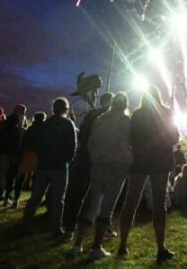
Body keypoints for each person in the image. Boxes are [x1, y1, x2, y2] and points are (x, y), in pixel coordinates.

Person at [117, 86, 179, 263]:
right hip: (160, 162)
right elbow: (174, 137)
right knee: (159, 202)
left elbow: (131, 138)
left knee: (131, 200)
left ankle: (123, 244)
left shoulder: (136, 115)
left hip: (140, 161)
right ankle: (160, 247)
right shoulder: (167, 113)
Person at [69, 92, 132, 261]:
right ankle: (96, 247)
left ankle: (77, 244)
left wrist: (97, 158)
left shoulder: (100, 119)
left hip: (98, 165)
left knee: (93, 205)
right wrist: (129, 162)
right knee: (107, 208)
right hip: (116, 166)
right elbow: (123, 144)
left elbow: (90, 143)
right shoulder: (125, 121)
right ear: (125, 105)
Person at [22, 98, 77, 235]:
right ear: (66, 109)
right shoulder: (68, 124)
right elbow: (72, 146)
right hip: (59, 166)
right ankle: (55, 227)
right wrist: (67, 160)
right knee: (58, 199)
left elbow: (36, 144)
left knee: (36, 196)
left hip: (44, 165)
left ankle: (26, 223)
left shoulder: (45, 125)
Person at [64, 93, 112, 233]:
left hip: (85, 155)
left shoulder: (91, 114)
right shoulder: (110, 116)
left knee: (79, 191)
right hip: (101, 158)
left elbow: (82, 134)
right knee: (101, 194)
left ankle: (70, 225)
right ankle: (103, 227)